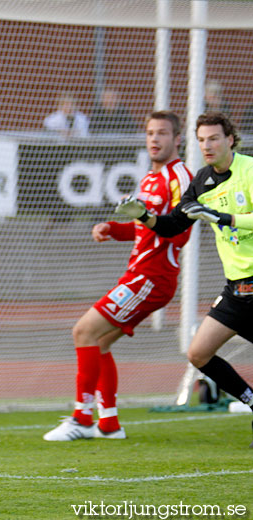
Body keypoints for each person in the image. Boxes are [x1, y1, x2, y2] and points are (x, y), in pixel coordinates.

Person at [44, 111, 193, 441]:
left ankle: (82, 419)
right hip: (139, 273)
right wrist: (112, 228)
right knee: (98, 343)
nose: (155, 139)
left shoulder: (180, 178)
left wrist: (147, 217)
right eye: (151, 132)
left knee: (83, 330)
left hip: (153, 276)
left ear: (177, 139)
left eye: (163, 133)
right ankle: (108, 424)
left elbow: (180, 232)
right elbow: (145, 228)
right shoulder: (149, 178)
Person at [116, 111, 253, 443]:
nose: (207, 145)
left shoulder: (250, 170)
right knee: (198, 353)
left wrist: (222, 216)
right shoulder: (202, 181)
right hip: (237, 288)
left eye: (214, 138)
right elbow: (173, 225)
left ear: (230, 139)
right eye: (202, 140)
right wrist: (145, 216)